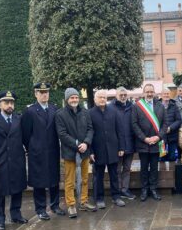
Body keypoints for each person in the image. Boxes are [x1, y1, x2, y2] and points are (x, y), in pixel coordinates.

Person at [0, 91, 28, 230]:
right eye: (6, 102)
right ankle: (0, 219)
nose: (10, 105)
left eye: (12, 102)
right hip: (1, 160)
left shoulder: (19, 119)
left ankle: (16, 214)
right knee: (0, 191)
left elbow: (24, 138)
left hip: (17, 159)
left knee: (17, 189)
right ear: (0, 104)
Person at [21, 82, 65, 220]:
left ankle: (55, 205)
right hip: (37, 151)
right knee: (39, 181)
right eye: (41, 92)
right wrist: (32, 147)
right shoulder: (30, 111)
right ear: (36, 94)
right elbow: (26, 133)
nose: (44, 94)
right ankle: (40, 209)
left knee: (54, 179)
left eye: (46, 92)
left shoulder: (54, 109)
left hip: (52, 150)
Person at [55, 88, 96, 218]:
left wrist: (86, 143)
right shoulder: (60, 114)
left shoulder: (85, 112)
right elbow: (62, 134)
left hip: (84, 152)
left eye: (76, 97)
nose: (74, 100)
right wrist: (77, 145)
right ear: (67, 99)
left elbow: (90, 129)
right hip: (70, 153)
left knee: (84, 178)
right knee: (70, 180)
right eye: (72, 98)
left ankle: (83, 201)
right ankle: (71, 204)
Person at [89, 90, 126, 208]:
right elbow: (88, 133)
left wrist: (121, 147)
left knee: (114, 175)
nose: (102, 99)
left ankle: (116, 196)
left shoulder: (114, 111)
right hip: (98, 150)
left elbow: (120, 130)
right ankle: (99, 198)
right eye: (100, 97)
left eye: (104, 97)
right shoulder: (90, 113)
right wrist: (91, 151)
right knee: (98, 176)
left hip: (113, 149)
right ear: (95, 99)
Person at [132, 84, 167, 201]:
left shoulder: (160, 106)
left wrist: (158, 137)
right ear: (144, 92)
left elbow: (165, 124)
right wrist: (144, 138)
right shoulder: (137, 106)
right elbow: (134, 124)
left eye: (151, 92)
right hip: (143, 143)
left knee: (154, 168)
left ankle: (153, 189)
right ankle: (144, 189)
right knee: (143, 168)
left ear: (154, 93)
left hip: (157, 143)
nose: (150, 94)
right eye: (147, 92)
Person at [110, 87, 136, 200]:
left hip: (130, 143)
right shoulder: (110, 107)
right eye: (121, 94)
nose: (123, 96)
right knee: (116, 169)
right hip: (116, 145)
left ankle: (125, 190)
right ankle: (117, 191)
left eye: (125, 94)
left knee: (126, 168)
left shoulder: (132, 107)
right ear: (116, 95)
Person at [160, 88, 182, 164]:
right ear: (161, 95)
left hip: (172, 136)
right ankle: (163, 175)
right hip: (161, 138)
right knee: (161, 157)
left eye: (167, 94)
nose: (166, 95)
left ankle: (171, 175)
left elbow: (179, 120)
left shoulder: (174, 106)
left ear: (170, 95)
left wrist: (170, 128)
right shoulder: (157, 105)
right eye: (164, 94)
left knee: (172, 157)